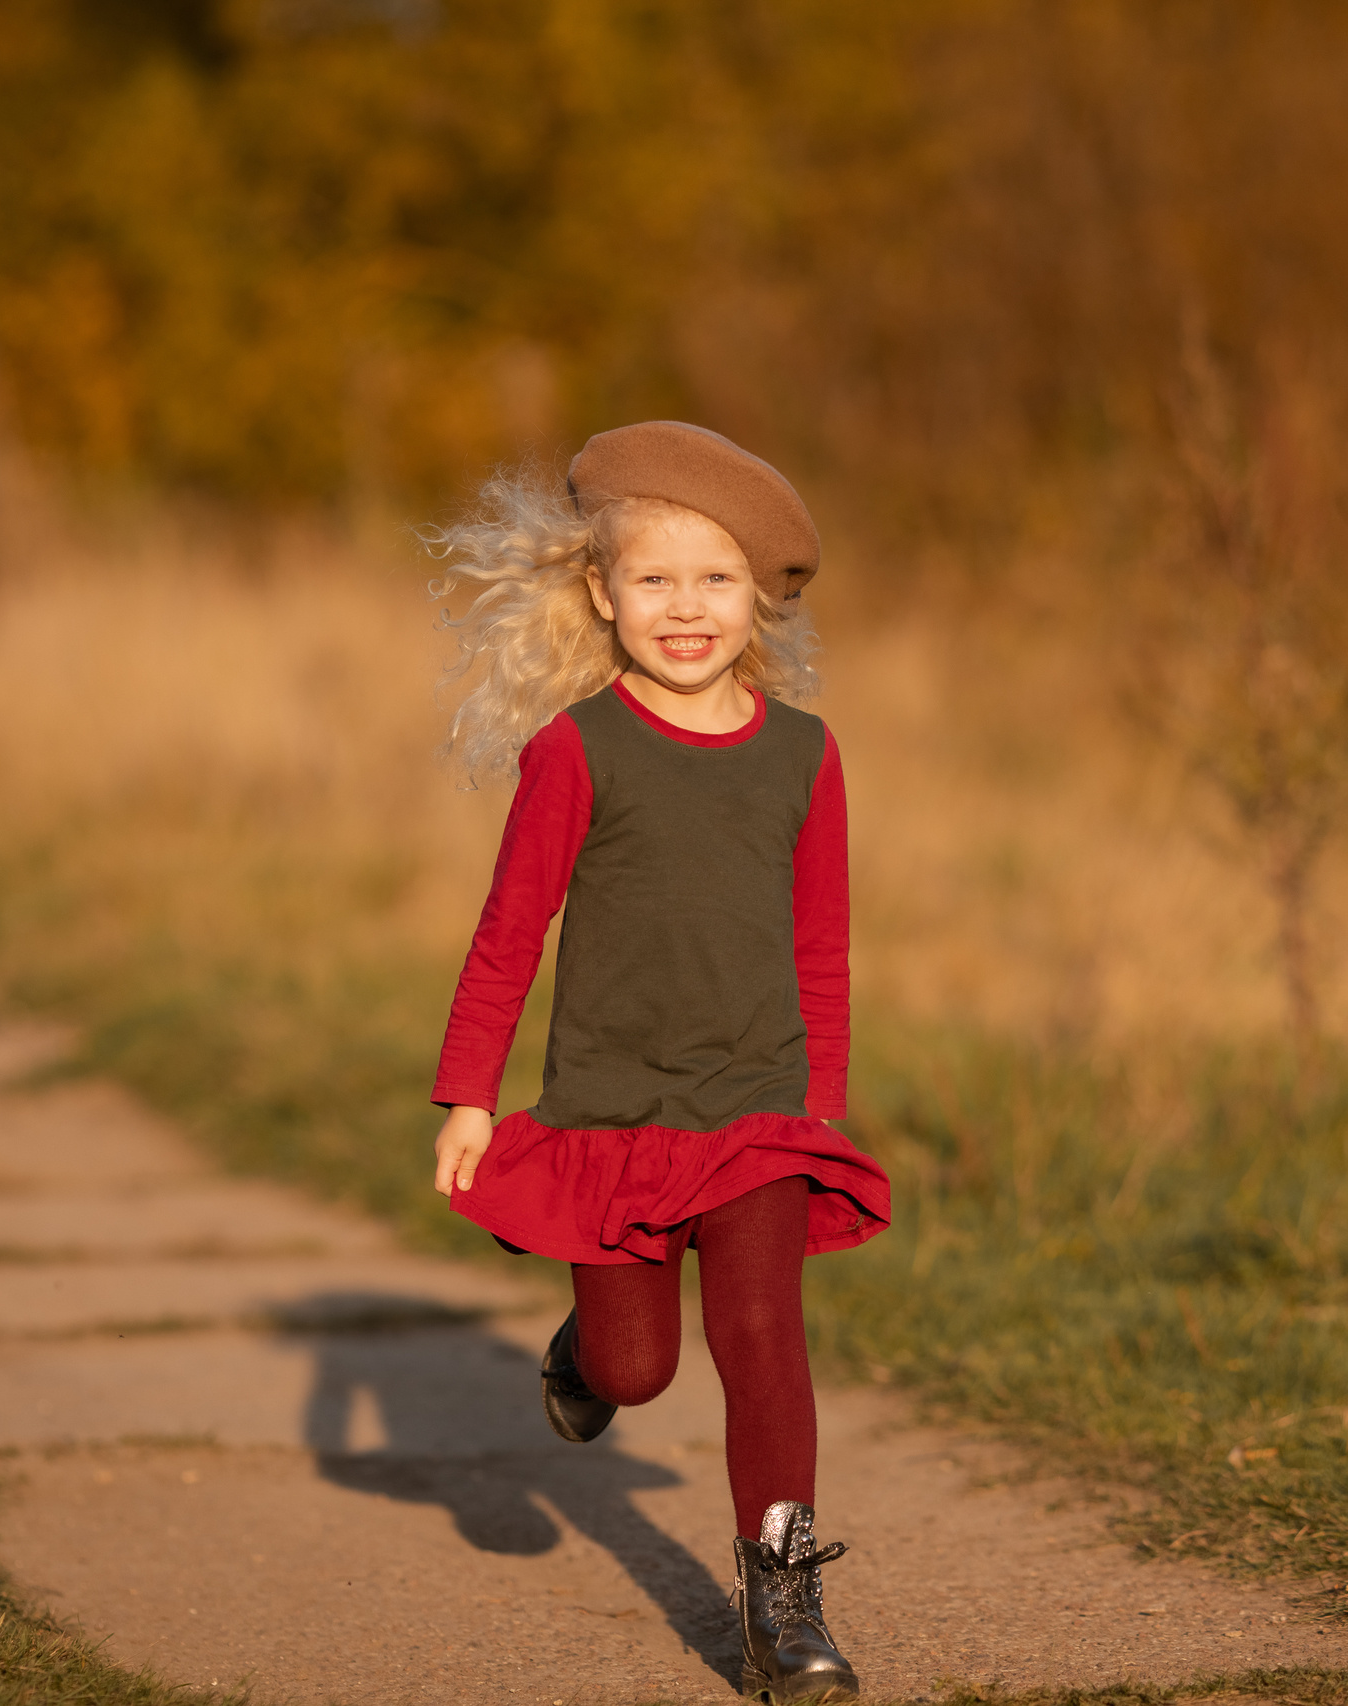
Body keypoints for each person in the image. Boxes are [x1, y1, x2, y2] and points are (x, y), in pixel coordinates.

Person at [425, 421, 891, 1706]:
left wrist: (821, 1113)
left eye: (716, 579)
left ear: (758, 600)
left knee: (761, 1336)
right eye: (654, 579)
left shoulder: (804, 752)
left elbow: (822, 946)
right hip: (613, 1111)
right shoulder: (579, 747)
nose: (685, 609)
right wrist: (470, 1090)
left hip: (755, 1110)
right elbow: (511, 927)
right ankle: (584, 1350)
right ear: (599, 593)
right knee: (640, 1368)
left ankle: (784, 1605)